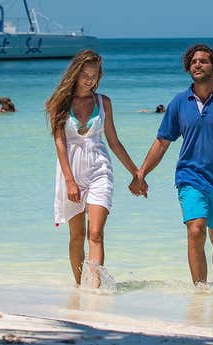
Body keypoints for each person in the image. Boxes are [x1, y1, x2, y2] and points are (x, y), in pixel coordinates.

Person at [131, 44, 213, 285]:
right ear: (188, 68)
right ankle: (200, 290)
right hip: (190, 178)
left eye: (203, 61)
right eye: (193, 61)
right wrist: (141, 173)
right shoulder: (179, 102)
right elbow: (162, 142)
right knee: (196, 230)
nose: (197, 64)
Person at [46, 50, 139, 287]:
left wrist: (136, 172)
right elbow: (59, 142)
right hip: (71, 172)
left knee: (95, 234)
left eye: (94, 75)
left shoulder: (103, 103)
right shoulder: (59, 103)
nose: (90, 80)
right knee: (77, 237)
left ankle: (95, 288)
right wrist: (69, 181)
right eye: (85, 74)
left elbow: (114, 142)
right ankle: (80, 287)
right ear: (75, 73)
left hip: (100, 170)